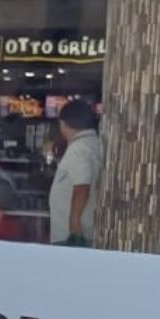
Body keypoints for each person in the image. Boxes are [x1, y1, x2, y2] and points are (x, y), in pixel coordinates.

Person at [50, 98, 101, 245]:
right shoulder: (94, 143)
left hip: (71, 234)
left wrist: (74, 222)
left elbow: (81, 186)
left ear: (63, 123)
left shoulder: (78, 149)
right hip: (84, 228)